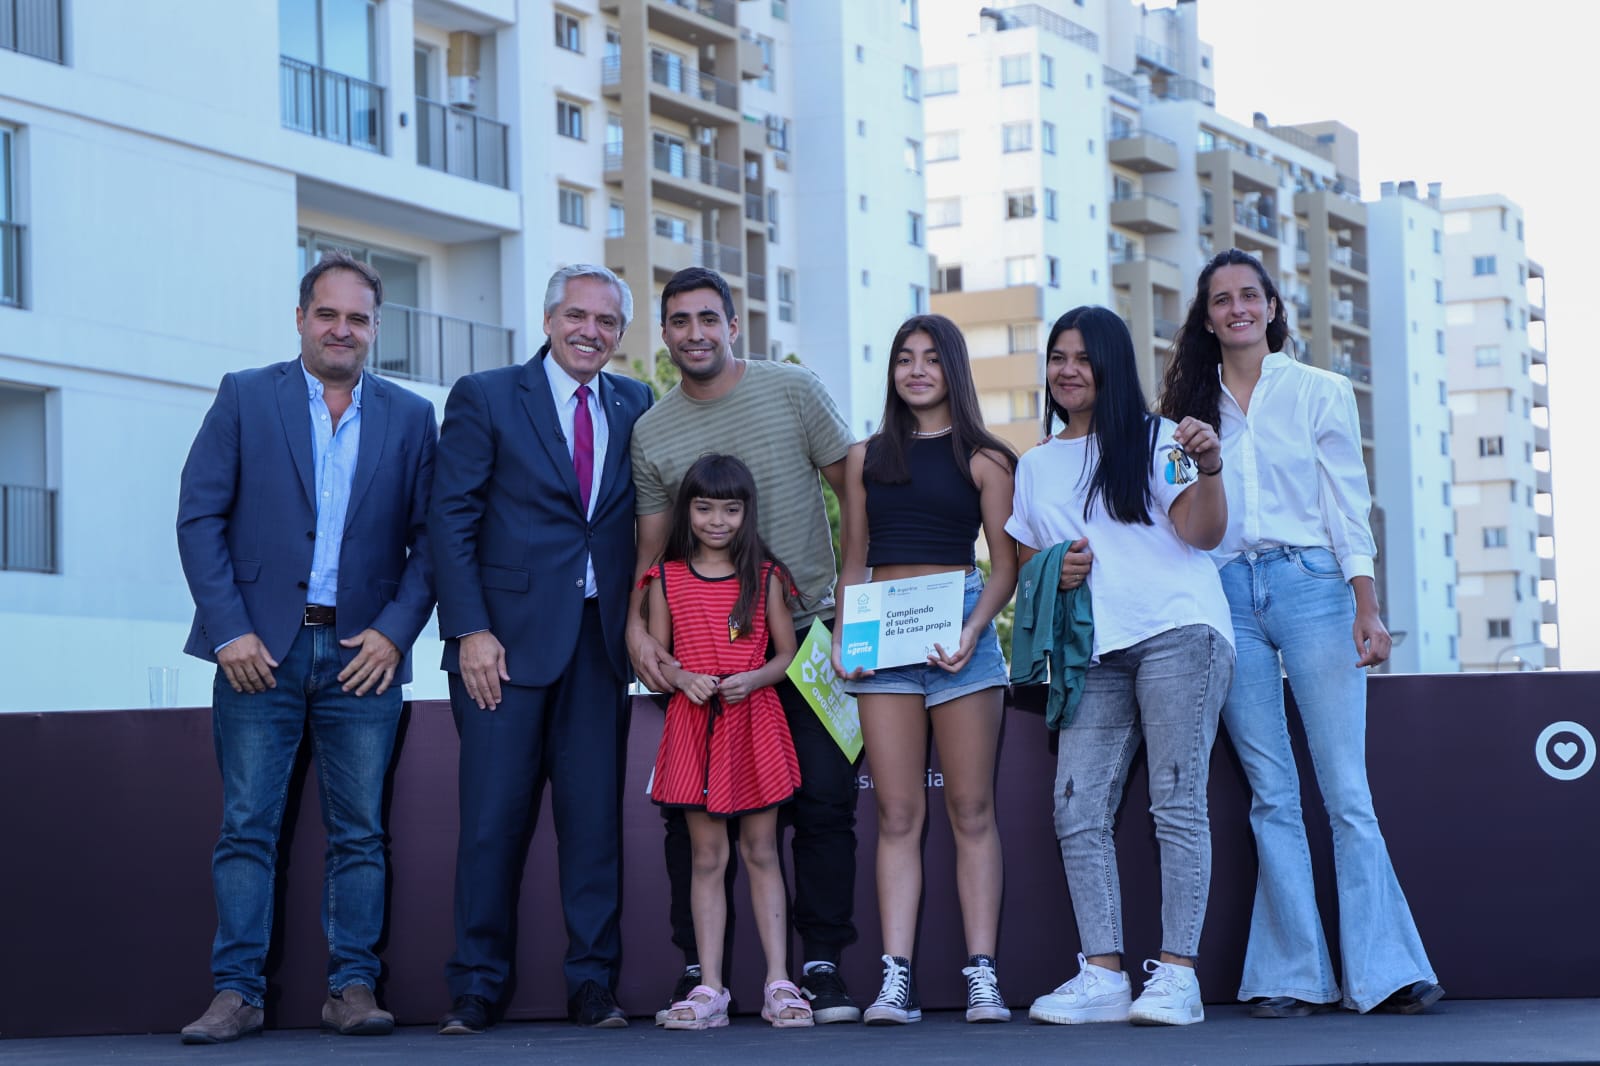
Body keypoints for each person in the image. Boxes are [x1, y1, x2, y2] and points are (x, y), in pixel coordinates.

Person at [1159, 248, 1444, 1017]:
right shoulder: (1186, 413)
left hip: (1313, 585)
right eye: (1221, 299)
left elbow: (1349, 500)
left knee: (1347, 791)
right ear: (1207, 316)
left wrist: (1367, 603)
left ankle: (1385, 971)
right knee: (1270, 793)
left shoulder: (1321, 389)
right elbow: (1178, 521)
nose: (1237, 309)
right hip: (1224, 595)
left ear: (1273, 307)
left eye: (1250, 295)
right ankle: (1291, 974)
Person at [175, 251, 438, 1044]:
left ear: (375, 329)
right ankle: (236, 994)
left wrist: (396, 630)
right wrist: (229, 630)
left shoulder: (410, 415)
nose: (341, 330)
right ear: (300, 318)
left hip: (363, 657)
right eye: (327, 314)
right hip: (259, 653)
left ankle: (352, 987)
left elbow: (431, 542)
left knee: (362, 832)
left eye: (358, 318)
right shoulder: (245, 396)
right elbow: (199, 519)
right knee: (247, 827)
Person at [628, 267, 861, 1023]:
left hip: (808, 633)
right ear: (663, 334)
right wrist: (639, 628)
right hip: (702, 660)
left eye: (708, 318)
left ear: (734, 324)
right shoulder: (653, 430)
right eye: (679, 321)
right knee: (691, 818)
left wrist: (853, 590)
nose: (695, 333)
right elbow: (652, 555)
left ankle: (816, 964)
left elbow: (850, 484)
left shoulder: (792, 389)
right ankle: (703, 968)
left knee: (824, 802)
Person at [429, 264, 652, 1035]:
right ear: (551, 318)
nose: (591, 331)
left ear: (620, 334)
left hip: (598, 646)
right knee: (492, 823)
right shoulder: (486, 396)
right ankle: (475, 988)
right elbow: (448, 520)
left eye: (607, 322)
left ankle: (593, 985)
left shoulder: (636, 402)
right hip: (504, 649)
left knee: (595, 828)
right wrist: (469, 631)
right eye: (577, 315)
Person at [1008, 305, 1234, 1028]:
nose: (1067, 370)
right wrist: (1056, 568)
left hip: (1179, 632)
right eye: (1057, 357)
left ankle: (1178, 976)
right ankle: (1102, 976)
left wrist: (1211, 467)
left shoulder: (1160, 438)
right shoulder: (1035, 465)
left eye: (1082, 357)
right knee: (1077, 807)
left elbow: (1202, 531)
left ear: (1111, 364)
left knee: (1176, 801)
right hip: (1092, 654)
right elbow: (1020, 562)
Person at [831, 315, 1018, 1025]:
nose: (915, 371)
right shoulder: (864, 457)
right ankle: (895, 981)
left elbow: (1003, 569)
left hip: (961, 636)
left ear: (953, 370)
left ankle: (982, 978)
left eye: (931, 360)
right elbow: (853, 559)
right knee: (898, 813)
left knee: (972, 810)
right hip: (883, 638)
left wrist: (974, 631)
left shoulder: (987, 458)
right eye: (904, 359)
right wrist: (847, 636)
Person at [645, 454, 810, 1030]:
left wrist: (756, 676)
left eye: (731, 509)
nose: (718, 521)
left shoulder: (764, 576)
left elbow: (787, 654)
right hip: (694, 724)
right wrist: (681, 676)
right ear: (687, 510)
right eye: (705, 507)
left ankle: (779, 983)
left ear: (747, 512)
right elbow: (659, 654)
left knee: (763, 851)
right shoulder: (665, 577)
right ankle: (709, 985)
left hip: (754, 720)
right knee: (707, 856)